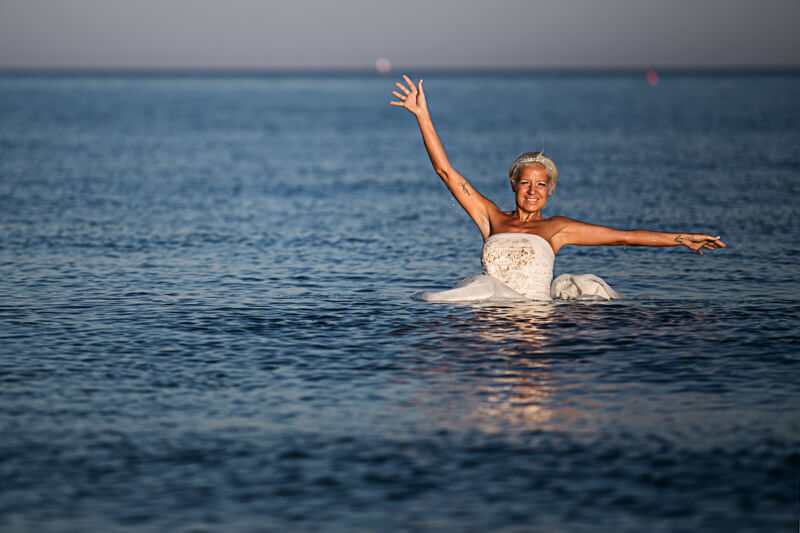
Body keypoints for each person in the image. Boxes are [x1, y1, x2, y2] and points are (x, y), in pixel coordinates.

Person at [390, 76, 725, 302]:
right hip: (489, 320)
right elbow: (445, 171)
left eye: (540, 185)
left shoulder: (556, 229)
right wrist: (422, 115)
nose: (532, 191)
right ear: (514, 185)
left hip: (536, 321)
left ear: (550, 191)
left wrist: (682, 238)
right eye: (525, 183)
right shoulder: (490, 218)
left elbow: (624, 236)